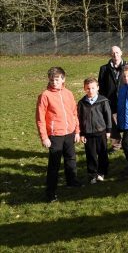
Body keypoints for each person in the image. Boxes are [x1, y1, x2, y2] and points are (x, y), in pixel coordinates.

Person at [36, 67, 82, 202]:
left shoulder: (68, 93)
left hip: (70, 132)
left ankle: (72, 181)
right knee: (54, 165)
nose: (54, 82)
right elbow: (40, 118)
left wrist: (77, 131)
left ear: (63, 79)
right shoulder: (45, 95)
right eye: (51, 80)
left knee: (71, 159)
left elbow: (74, 113)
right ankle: (50, 192)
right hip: (55, 135)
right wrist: (44, 137)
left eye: (57, 79)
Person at [78, 77, 112, 184]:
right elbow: (79, 119)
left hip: (101, 131)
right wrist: (82, 134)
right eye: (88, 88)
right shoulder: (82, 103)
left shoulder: (103, 101)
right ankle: (92, 174)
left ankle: (102, 172)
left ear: (98, 88)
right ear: (84, 89)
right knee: (91, 154)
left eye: (93, 88)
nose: (90, 91)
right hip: (88, 133)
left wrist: (108, 130)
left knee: (102, 153)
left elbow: (108, 116)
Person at [98, 46, 128, 154]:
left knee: (126, 122)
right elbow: (101, 87)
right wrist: (102, 101)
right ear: (110, 55)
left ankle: (127, 143)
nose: (115, 55)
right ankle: (116, 144)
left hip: (125, 100)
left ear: (121, 53)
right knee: (112, 123)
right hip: (110, 101)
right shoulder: (104, 69)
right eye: (113, 53)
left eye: (117, 52)